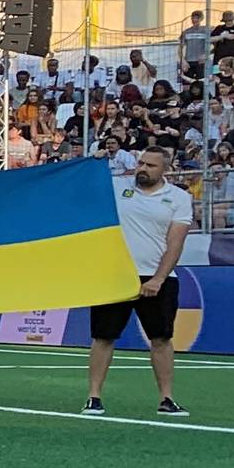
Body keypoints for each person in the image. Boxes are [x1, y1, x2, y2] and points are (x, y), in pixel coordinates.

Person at [87, 146, 195, 416]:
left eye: (151, 165)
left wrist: (158, 278)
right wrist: (94, 163)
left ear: (165, 169)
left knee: (161, 339)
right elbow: (84, 185)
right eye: (141, 163)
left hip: (157, 278)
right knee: (103, 337)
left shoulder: (179, 198)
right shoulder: (118, 186)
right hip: (116, 275)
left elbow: (175, 243)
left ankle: (167, 399)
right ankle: (94, 397)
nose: (143, 169)